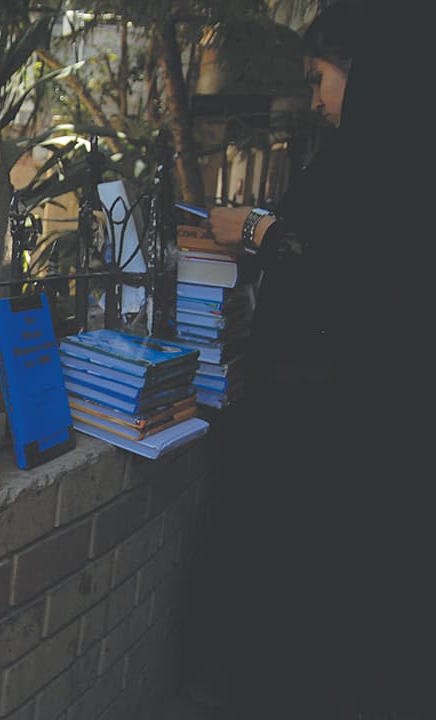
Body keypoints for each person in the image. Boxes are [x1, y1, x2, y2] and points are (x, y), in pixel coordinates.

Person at [197, 2, 429, 715]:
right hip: (333, 415)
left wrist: (260, 232)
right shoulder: (367, 156)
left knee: (313, 593)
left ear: (368, 72)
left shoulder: (395, 166)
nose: (317, 97)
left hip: (344, 425)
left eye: (320, 76)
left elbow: (363, 277)